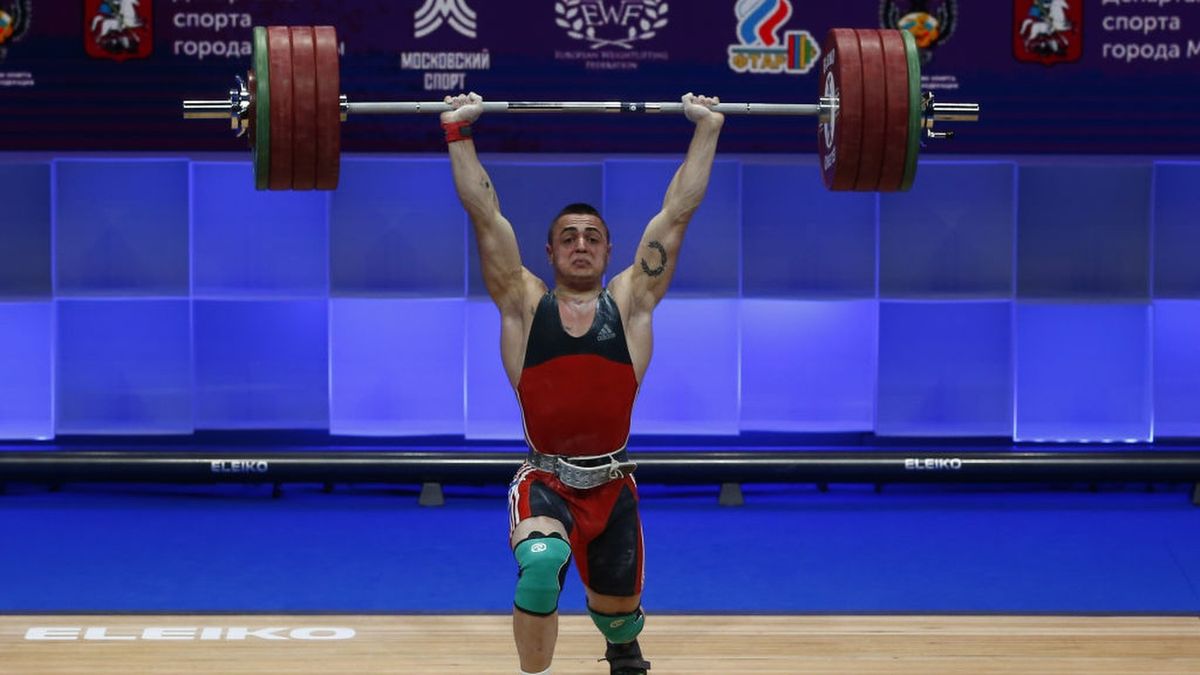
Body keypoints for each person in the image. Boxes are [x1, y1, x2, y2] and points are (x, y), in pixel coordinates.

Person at [440, 91, 724, 675]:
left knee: (618, 614)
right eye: (568, 236)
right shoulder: (523, 305)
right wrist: (457, 131)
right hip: (546, 479)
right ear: (548, 250)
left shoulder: (631, 303)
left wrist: (708, 129)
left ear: (610, 250)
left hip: (614, 484)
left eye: (592, 236)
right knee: (541, 564)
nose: (580, 244)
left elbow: (676, 214)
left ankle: (621, 643)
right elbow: (485, 215)